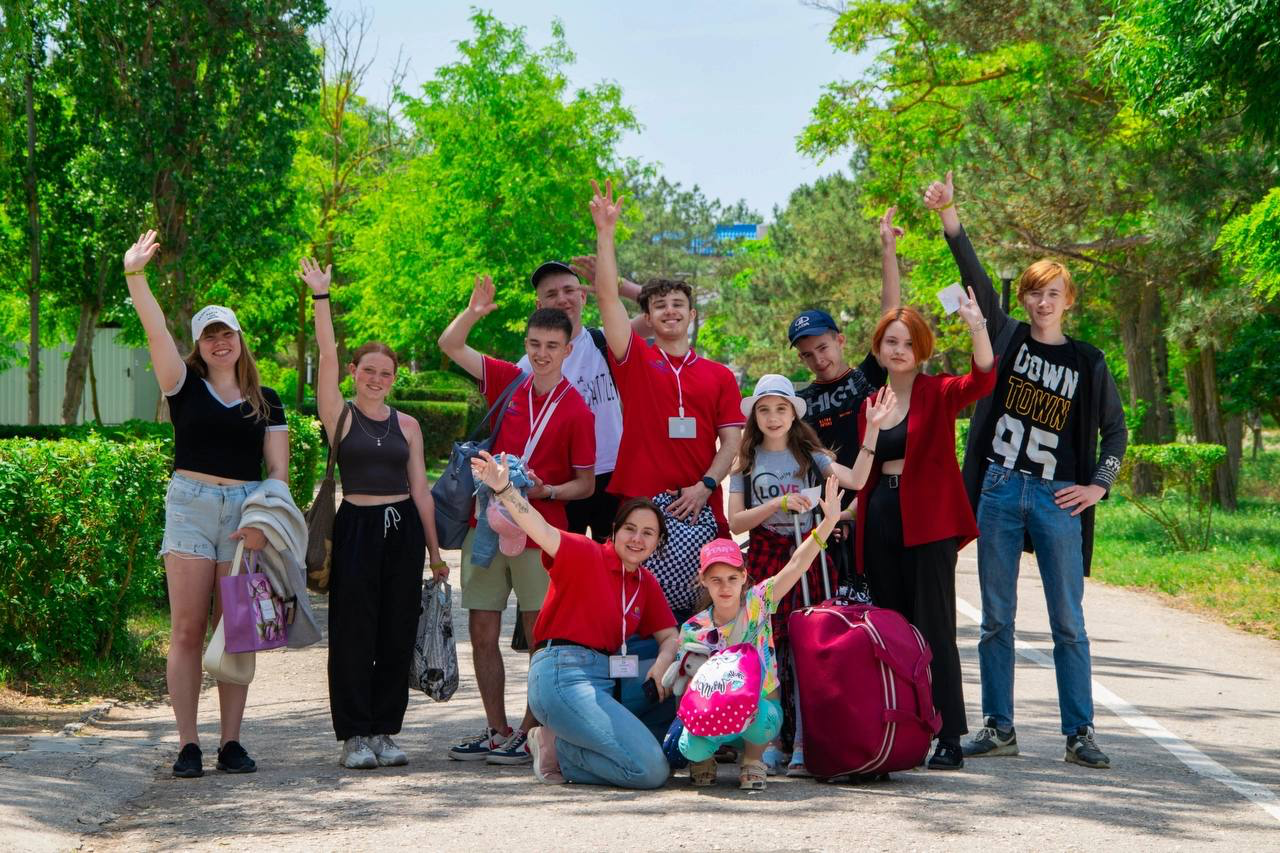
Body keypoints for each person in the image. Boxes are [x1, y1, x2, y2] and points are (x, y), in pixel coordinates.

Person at [925, 171, 1127, 769]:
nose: (1042, 302)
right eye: (1035, 293)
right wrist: (949, 214)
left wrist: (1098, 486)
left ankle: (1079, 733)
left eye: (1053, 293)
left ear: (1068, 301)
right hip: (998, 488)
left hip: (1059, 496)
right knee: (996, 620)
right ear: (1026, 300)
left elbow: (1115, 433)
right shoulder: (1007, 337)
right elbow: (973, 276)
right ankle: (999, 727)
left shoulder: (1088, 361)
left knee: (1068, 621)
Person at [123, 230, 288, 778]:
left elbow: (278, 472)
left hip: (245, 514)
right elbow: (155, 331)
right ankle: (188, 745)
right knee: (188, 629)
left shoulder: (268, 401)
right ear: (199, 344)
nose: (220, 342)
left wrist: (262, 523)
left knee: (237, 628)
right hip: (190, 506)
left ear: (240, 339)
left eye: (227, 333)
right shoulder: (182, 384)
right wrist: (135, 276)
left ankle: (231, 743)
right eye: (209, 336)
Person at [437, 278, 596, 766]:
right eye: (534, 344)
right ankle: (495, 728)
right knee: (481, 628)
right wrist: (473, 312)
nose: (541, 354)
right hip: (485, 524)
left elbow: (585, 485)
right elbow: (450, 345)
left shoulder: (577, 409)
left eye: (551, 346)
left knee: (538, 634)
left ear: (568, 350)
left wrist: (545, 491)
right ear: (525, 344)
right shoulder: (509, 381)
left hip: (540, 531)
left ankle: (529, 731)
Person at [301, 258, 447, 770]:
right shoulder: (339, 415)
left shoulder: (408, 426)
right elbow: (325, 353)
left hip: (403, 532)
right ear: (354, 373)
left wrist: (435, 553)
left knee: (396, 631)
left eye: (386, 373)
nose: (376, 379)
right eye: (368, 371)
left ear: (393, 378)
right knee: (353, 633)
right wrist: (322, 297)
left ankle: (384, 731)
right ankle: (354, 736)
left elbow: (421, 492)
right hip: (356, 529)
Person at [470, 449, 679, 789]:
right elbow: (538, 527)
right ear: (614, 530)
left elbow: (670, 636)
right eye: (630, 529)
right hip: (563, 673)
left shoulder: (645, 582)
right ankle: (558, 750)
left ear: (658, 542)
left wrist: (662, 664)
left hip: (608, 677)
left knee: (677, 686)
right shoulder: (585, 552)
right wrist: (506, 489)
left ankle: (581, 745)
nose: (637, 539)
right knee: (651, 771)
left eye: (648, 533)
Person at [846, 301, 996, 770]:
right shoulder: (871, 403)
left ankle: (949, 736)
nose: (899, 350)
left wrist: (976, 327)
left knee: (935, 627)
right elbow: (864, 471)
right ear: (878, 347)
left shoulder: (938, 391)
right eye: (891, 341)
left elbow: (983, 380)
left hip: (929, 522)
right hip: (881, 516)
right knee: (891, 630)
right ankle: (904, 733)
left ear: (922, 349)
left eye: (909, 343)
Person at [727, 374, 862, 776]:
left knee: (808, 646)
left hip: (809, 553)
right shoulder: (746, 461)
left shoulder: (811, 455)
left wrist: (872, 431)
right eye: (764, 410)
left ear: (793, 414)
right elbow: (735, 521)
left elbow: (856, 480)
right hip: (767, 554)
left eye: (781, 409)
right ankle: (771, 741)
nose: (773, 417)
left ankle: (804, 741)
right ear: (754, 417)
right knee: (768, 648)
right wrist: (778, 504)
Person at [681, 475, 843, 791]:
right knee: (691, 746)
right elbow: (687, 687)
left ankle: (753, 760)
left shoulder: (759, 602)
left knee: (766, 717)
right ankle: (704, 758)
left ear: (745, 576)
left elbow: (796, 565)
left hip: (753, 711)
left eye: (732, 577)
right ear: (703, 581)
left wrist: (827, 524)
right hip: (713, 713)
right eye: (716, 579)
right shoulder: (693, 628)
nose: (725, 587)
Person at [517, 258, 648, 542]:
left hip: (613, 474)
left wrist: (616, 287)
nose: (562, 299)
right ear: (539, 305)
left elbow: (656, 312)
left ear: (583, 297)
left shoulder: (606, 341)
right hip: (562, 481)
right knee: (563, 563)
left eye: (569, 290)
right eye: (551, 294)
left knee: (614, 559)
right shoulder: (528, 366)